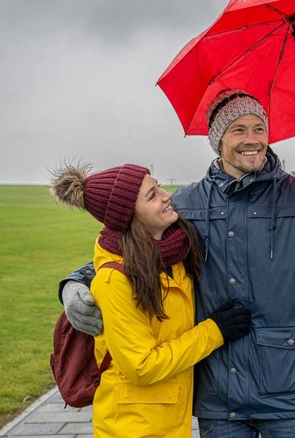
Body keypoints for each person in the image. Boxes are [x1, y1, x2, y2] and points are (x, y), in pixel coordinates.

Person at [59, 90, 295, 438]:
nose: (252, 140)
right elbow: (129, 253)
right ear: (218, 141)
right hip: (219, 397)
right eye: (239, 130)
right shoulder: (185, 203)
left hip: (290, 393)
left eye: (259, 129)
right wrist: (74, 283)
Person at [49, 162, 251, 438]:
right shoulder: (115, 281)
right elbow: (142, 367)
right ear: (128, 216)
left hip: (170, 420)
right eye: (152, 195)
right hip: (132, 425)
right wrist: (214, 331)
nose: (167, 196)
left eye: (159, 187)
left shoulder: (175, 252)